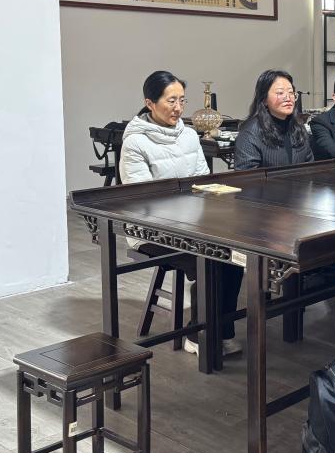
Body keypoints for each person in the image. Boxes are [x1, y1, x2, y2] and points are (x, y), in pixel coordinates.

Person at [119, 71, 243, 357]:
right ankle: (198, 335)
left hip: (192, 223)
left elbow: (202, 179)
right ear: (149, 103)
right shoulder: (135, 142)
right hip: (150, 230)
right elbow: (142, 198)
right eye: (171, 100)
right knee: (210, 259)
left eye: (182, 101)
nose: (178, 108)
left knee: (234, 257)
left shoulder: (188, 134)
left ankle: (222, 330)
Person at [235, 69, 314, 169]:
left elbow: (309, 166)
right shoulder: (250, 133)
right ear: (264, 100)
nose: (288, 98)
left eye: (291, 92)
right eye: (280, 93)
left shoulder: (298, 127)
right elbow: (247, 175)